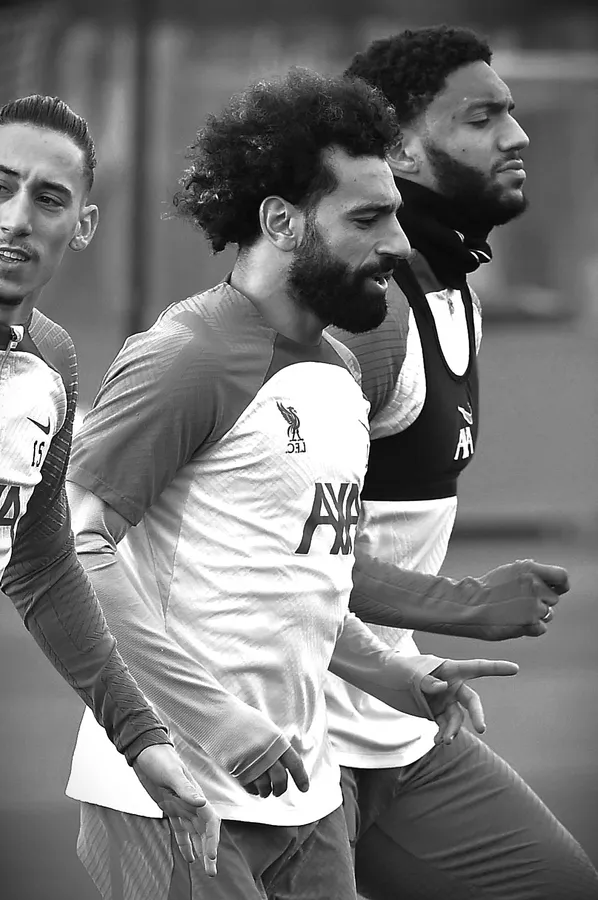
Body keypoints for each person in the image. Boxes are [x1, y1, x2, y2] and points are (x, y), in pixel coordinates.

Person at [62, 69, 520, 900]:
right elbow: (78, 548)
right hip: (170, 798)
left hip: (306, 798)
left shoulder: (340, 370)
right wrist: (214, 721)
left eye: (395, 215)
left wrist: (395, 675)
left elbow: (301, 584)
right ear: (281, 220)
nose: (398, 244)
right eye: (367, 219)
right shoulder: (188, 356)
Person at [323, 25, 598, 899]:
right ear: (399, 147)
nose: (518, 136)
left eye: (511, 113)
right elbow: (269, 546)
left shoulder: (453, 295)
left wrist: (411, 666)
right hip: (277, 736)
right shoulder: (364, 313)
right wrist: (467, 604)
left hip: (392, 721)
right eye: (482, 119)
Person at [0, 94, 221, 875]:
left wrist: (143, 740)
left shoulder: (51, 361)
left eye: (47, 198)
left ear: (83, 225)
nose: (15, 218)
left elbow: (39, 564)